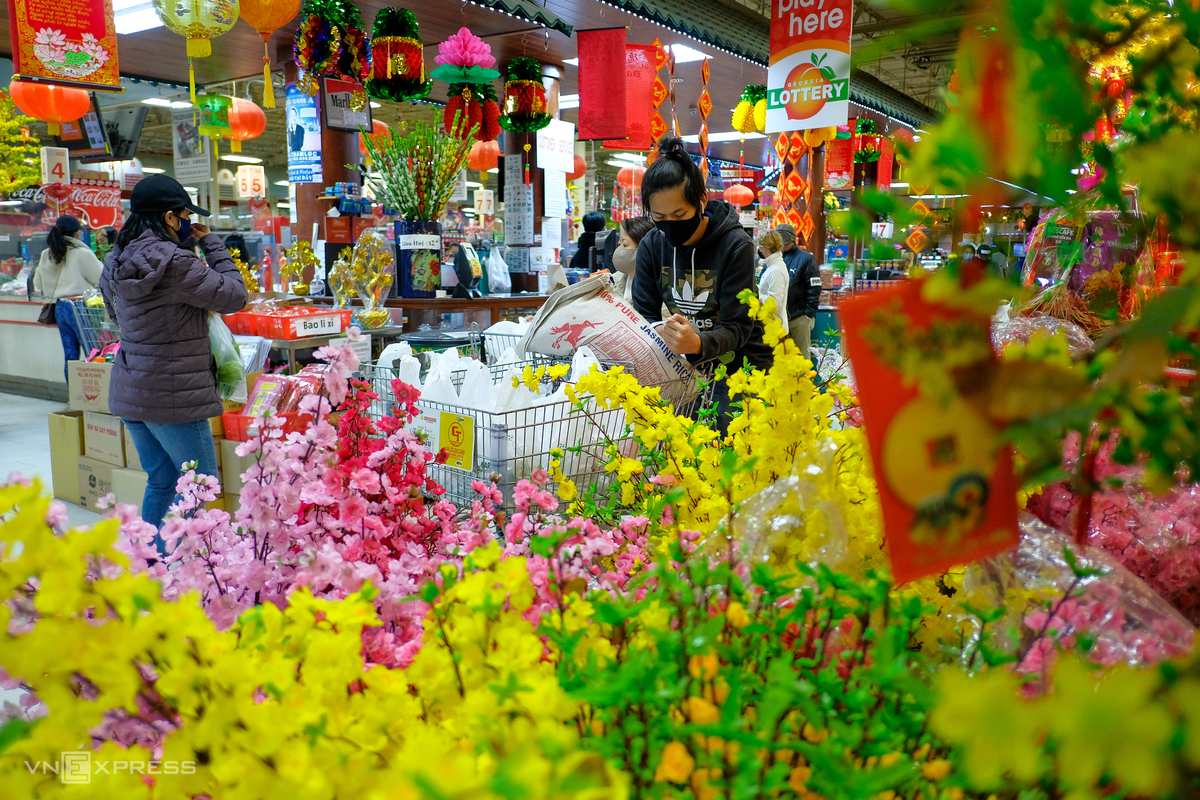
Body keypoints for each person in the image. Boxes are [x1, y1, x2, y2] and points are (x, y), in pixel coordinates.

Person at [100, 174, 248, 542]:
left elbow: (115, 316)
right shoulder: (176, 263)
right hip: (174, 397)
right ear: (170, 218)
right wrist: (210, 241)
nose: (187, 224)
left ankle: (148, 562)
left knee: (163, 479)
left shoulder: (115, 259)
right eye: (184, 216)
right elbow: (234, 296)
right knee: (200, 486)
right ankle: (180, 571)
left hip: (131, 390)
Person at [632, 135, 772, 432]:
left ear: (701, 201)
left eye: (680, 214)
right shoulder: (651, 245)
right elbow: (642, 315)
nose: (669, 223)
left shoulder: (736, 245)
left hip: (741, 367)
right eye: (659, 216)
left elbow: (738, 325)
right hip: (685, 367)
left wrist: (698, 343)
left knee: (730, 457)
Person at [34, 214, 103, 379]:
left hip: (60, 307)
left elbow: (38, 283)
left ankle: (74, 396)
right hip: (81, 307)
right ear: (78, 233)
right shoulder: (82, 253)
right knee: (92, 353)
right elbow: (101, 278)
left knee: (70, 355)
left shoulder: (46, 254)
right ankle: (94, 397)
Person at [776, 223, 821, 357]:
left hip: (799, 318)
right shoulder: (776, 258)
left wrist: (808, 315)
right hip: (779, 319)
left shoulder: (806, 259)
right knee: (780, 361)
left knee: (801, 360)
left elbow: (814, 289)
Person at [612, 216, 655, 301]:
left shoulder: (659, 287)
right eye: (619, 243)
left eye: (625, 245)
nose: (619, 250)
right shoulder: (616, 280)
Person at [756, 230, 789, 331]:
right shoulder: (773, 266)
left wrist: (757, 295)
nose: (760, 249)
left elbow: (774, 303)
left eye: (761, 246)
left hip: (775, 330)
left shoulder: (776, 270)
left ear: (767, 246)